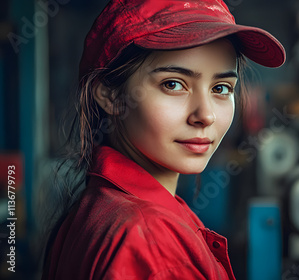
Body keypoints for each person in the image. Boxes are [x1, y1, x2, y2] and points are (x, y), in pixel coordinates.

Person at [40, 0, 285, 279]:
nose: (205, 115)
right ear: (110, 95)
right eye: (173, 84)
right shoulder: (151, 246)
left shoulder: (97, 208)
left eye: (221, 88)